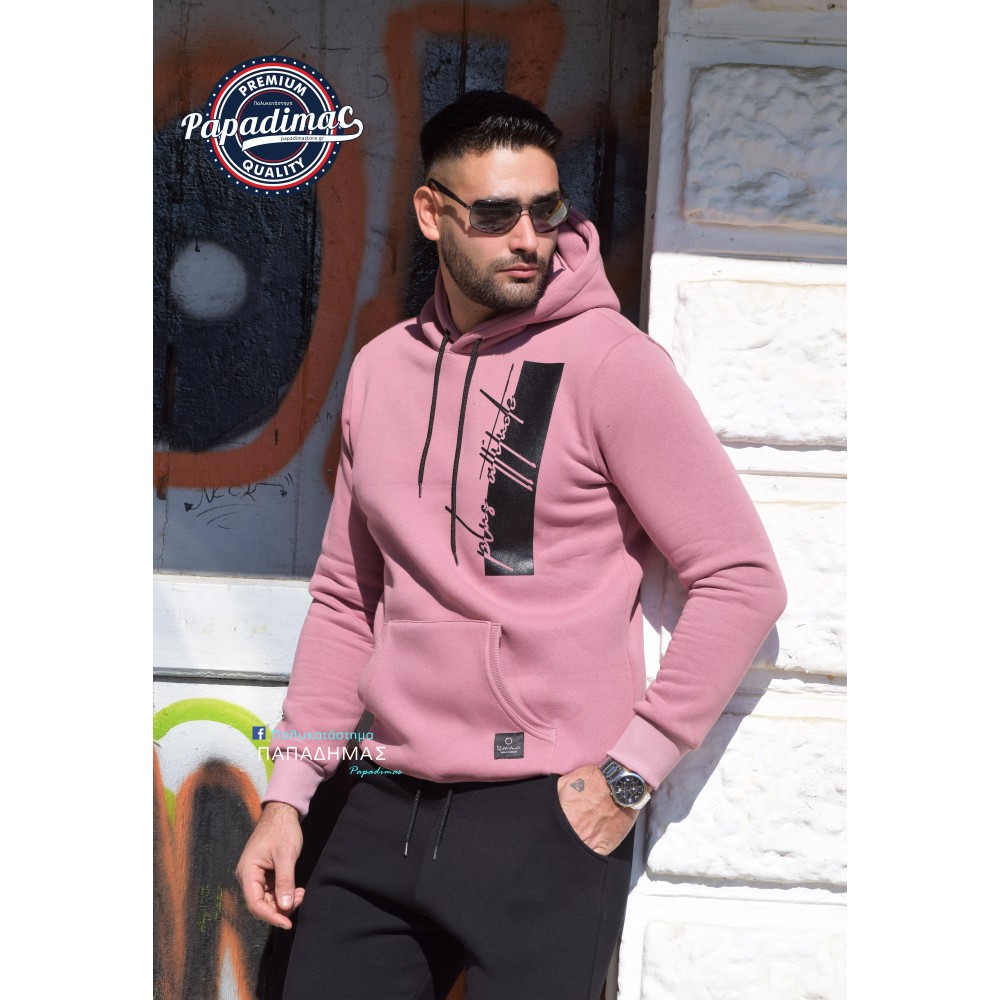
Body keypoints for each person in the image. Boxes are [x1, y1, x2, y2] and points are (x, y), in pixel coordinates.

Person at [236, 90, 787, 1000]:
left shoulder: (612, 365)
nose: (528, 238)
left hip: (544, 817)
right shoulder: (380, 370)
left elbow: (742, 578)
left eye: (546, 209)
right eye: (495, 215)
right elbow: (346, 598)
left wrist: (629, 775)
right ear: (432, 213)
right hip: (378, 801)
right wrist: (289, 794)